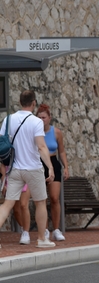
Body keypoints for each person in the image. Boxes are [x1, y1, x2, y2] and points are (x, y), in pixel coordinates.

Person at [0, 90, 56, 249]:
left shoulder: (8, 120)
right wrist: (50, 167)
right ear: (33, 103)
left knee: (7, 205)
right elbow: (41, 146)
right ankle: (41, 239)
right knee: (40, 203)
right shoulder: (36, 122)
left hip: (15, 168)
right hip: (33, 168)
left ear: (19, 102)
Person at [36, 103, 70, 241]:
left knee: (54, 198)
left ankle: (56, 229)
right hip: (39, 164)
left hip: (53, 162)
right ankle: (44, 229)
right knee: (41, 199)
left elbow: (61, 151)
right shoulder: (35, 133)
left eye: (44, 117)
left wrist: (66, 167)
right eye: (39, 118)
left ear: (49, 118)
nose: (42, 120)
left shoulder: (56, 132)